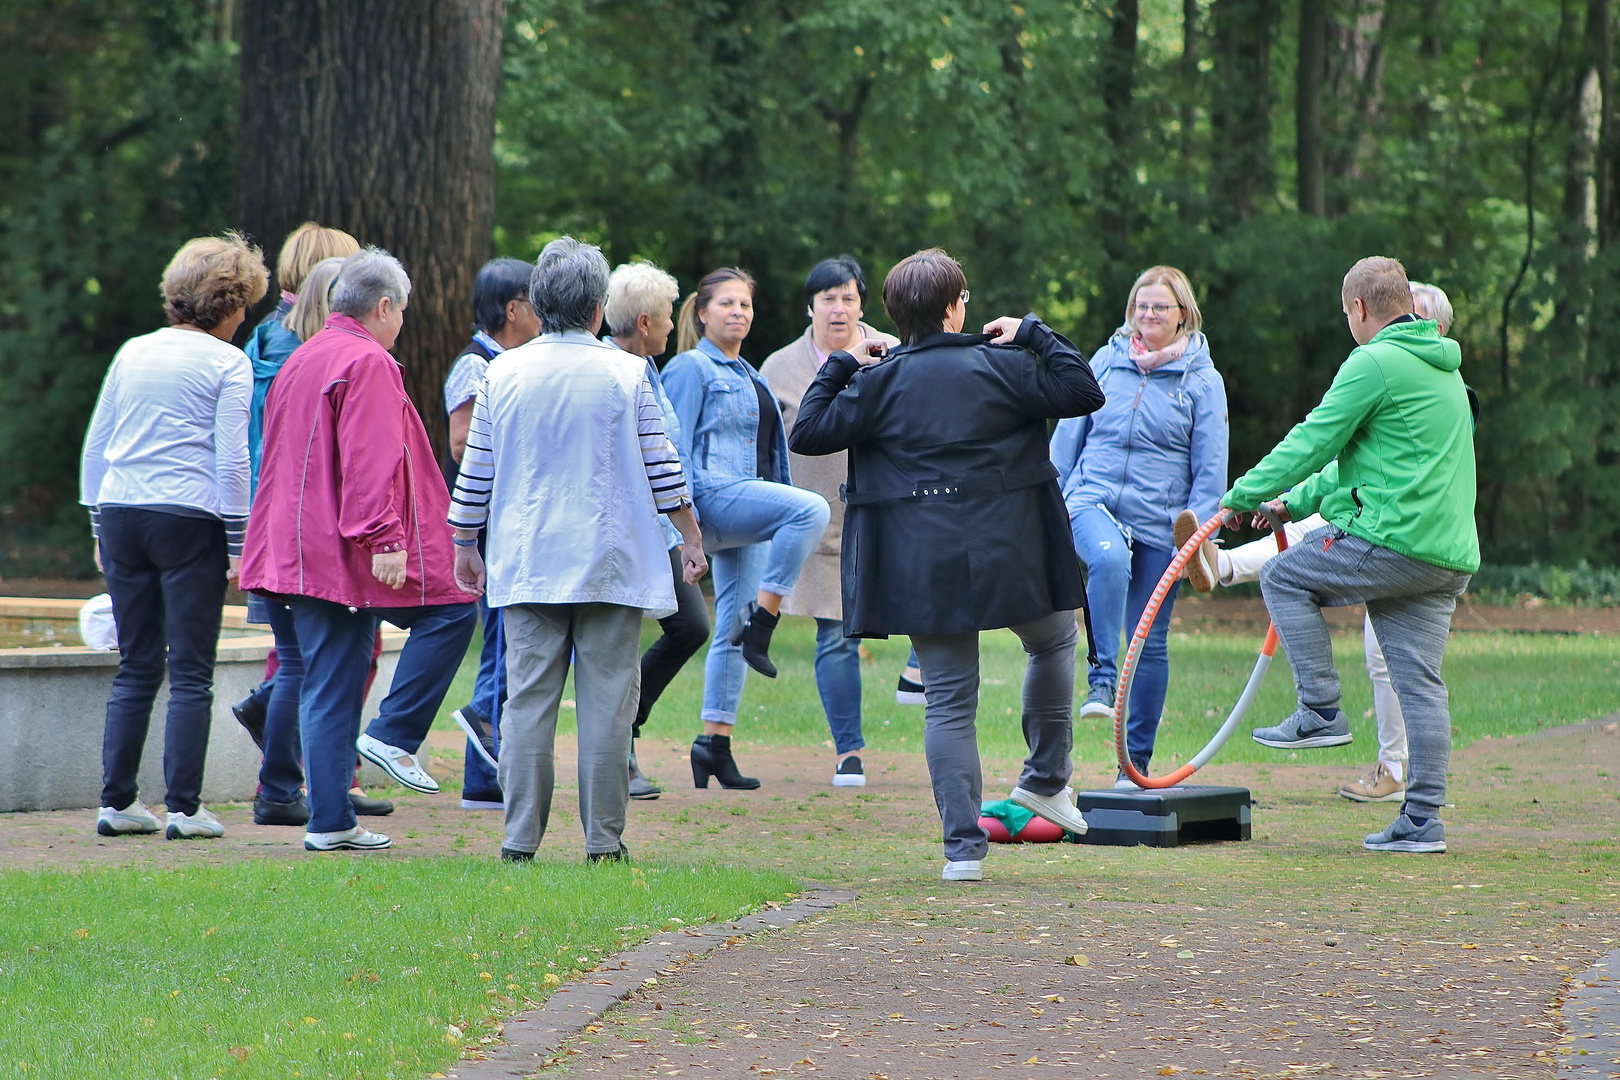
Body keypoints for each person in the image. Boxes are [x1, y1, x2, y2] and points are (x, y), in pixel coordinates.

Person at [789, 248, 1105, 882]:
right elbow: (1083, 390)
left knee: (949, 703)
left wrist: (844, 363)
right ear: (957, 307)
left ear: (892, 315)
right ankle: (1046, 780)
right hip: (1012, 550)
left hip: (921, 561)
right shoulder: (1005, 364)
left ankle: (963, 850)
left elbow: (807, 431)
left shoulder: (876, 381)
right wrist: (1035, 331)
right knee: (1053, 642)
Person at [448, 237, 707, 862]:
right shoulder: (626, 371)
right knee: (608, 704)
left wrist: (463, 541)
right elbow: (662, 466)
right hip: (610, 560)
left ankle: (518, 841)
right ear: (597, 309)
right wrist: (690, 535)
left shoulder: (502, 371)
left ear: (538, 303)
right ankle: (603, 841)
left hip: (528, 558)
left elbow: (475, 469)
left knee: (527, 703)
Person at [1221, 256, 1476, 854]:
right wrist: (1287, 503)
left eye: (1346, 315)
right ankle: (1421, 821)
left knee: (1284, 575)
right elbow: (1357, 463)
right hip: (1445, 557)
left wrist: (1241, 495)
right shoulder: (1440, 370)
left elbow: (1314, 439)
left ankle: (1320, 708)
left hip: (1393, 541)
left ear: (1360, 309)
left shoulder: (1375, 362)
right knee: (1420, 684)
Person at [241, 247, 479, 853]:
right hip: (338, 553)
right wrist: (386, 538)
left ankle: (331, 820)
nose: (403, 323)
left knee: (326, 682)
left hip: (290, 549)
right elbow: (371, 457)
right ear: (382, 306)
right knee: (452, 609)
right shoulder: (367, 360)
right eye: (401, 311)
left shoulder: (305, 354)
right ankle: (390, 736)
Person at [80, 233, 268, 840]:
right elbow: (232, 460)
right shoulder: (227, 361)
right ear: (231, 306)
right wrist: (239, 542)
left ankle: (117, 801)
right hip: (189, 518)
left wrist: (97, 527)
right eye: (245, 308)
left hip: (123, 511)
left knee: (136, 665)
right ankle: (184, 809)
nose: (244, 321)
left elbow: (97, 444)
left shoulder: (133, 351)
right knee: (191, 669)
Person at [1049, 266, 1228, 786]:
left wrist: (1197, 539)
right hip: (1092, 499)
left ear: (1183, 316)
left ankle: (1135, 768)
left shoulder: (1202, 381)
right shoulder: (1104, 362)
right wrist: (1050, 498)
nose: (1148, 316)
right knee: (1106, 557)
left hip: (1162, 524)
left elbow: (1210, 469)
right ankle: (1102, 679)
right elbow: (1066, 438)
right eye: (1141, 307)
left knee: (1149, 643)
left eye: (1160, 308)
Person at [661, 268, 831, 790]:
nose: (739, 312)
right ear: (702, 312)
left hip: (747, 502)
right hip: (711, 499)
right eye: (728, 304)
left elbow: (769, 456)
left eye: (746, 305)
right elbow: (673, 448)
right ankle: (766, 619)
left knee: (731, 633)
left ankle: (713, 744)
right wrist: (683, 530)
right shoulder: (689, 368)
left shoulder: (752, 374)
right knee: (813, 509)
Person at [760, 255, 900, 787]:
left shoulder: (891, 352)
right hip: (820, 523)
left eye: (847, 297)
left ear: (862, 302)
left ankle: (923, 683)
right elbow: (767, 448)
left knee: (926, 609)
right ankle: (849, 751)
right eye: (827, 299)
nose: (838, 308)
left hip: (888, 515)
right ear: (810, 306)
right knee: (837, 635)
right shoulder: (779, 368)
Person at [603, 261, 710, 800]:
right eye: (668, 317)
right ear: (644, 321)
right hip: (627, 532)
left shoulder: (646, 368)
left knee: (690, 626)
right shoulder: (615, 371)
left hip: (661, 529)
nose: (674, 325)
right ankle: (616, 755)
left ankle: (624, 730)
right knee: (622, 642)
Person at [444, 258, 542, 811]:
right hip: (491, 527)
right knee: (504, 646)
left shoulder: (509, 362)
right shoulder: (475, 365)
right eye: (536, 304)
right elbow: (462, 445)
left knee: (506, 648)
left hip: (506, 522)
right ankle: (484, 728)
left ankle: (482, 781)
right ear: (513, 309)